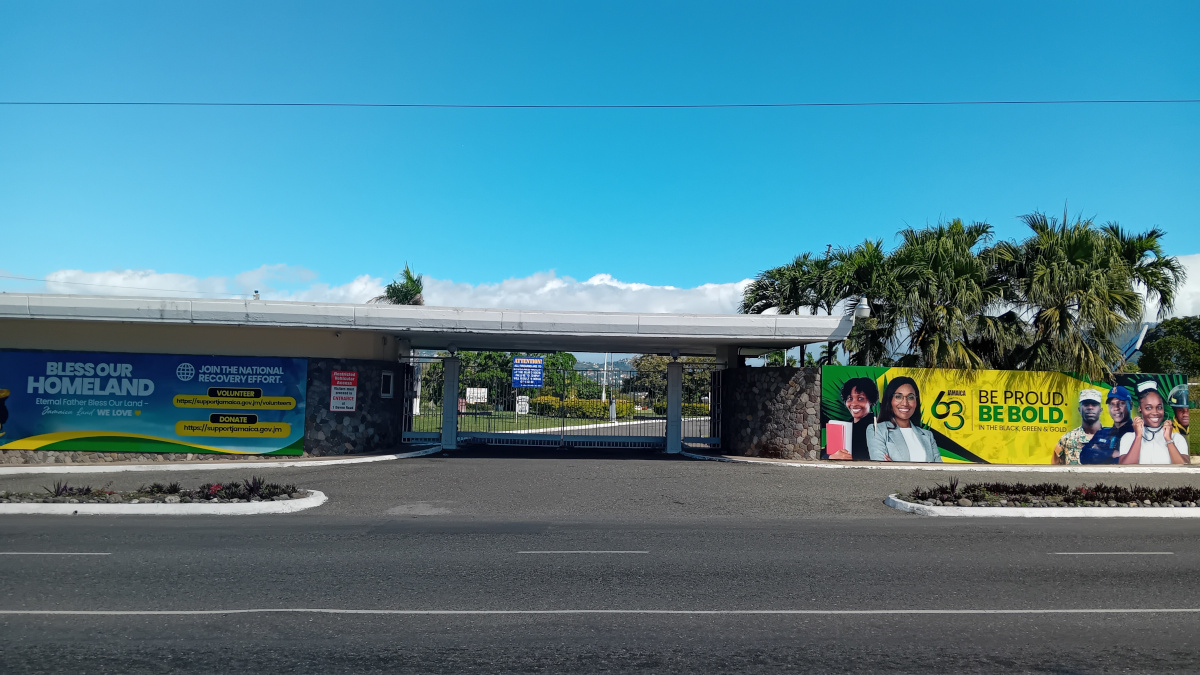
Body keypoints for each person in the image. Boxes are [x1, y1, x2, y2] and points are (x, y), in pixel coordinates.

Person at [866, 376, 941, 462]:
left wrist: (894, 465)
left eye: (910, 397)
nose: (905, 403)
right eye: (898, 397)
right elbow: (881, 469)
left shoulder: (928, 435)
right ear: (890, 400)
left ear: (916, 402)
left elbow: (940, 470)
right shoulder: (877, 430)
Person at [1119, 381, 1189, 465]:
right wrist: (1138, 437)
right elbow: (1125, 467)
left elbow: (1184, 467)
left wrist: (1168, 439)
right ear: (1140, 409)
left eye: (1159, 407)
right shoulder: (1128, 437)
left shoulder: (1177, 438)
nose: (1155, 412)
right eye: (1148, 408)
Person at [826, 378, 878, 461]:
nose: (853, 404)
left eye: (860, 398)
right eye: (850, 398)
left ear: (871, 400)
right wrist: (831, 456)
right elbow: (827, 450)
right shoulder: (844, 426)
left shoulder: (876, 427)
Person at [1080, 386, 1133, 465]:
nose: (1116, 408)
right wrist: (1110, 453)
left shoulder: (1137, 433)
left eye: (1121, 403)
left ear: (1131, 405)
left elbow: (1128, 462)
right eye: (1112, 404)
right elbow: (1083, 456)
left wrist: (1099, 453)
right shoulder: (1103, 433)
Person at [1053, 389, 1103, 465]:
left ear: (1100, 410)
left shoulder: (1111, 438)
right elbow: (1054, 471)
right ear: (1079, 409)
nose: (1090, 407)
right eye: (1086, 404)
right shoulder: (1066, 440)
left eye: (1094, 404)